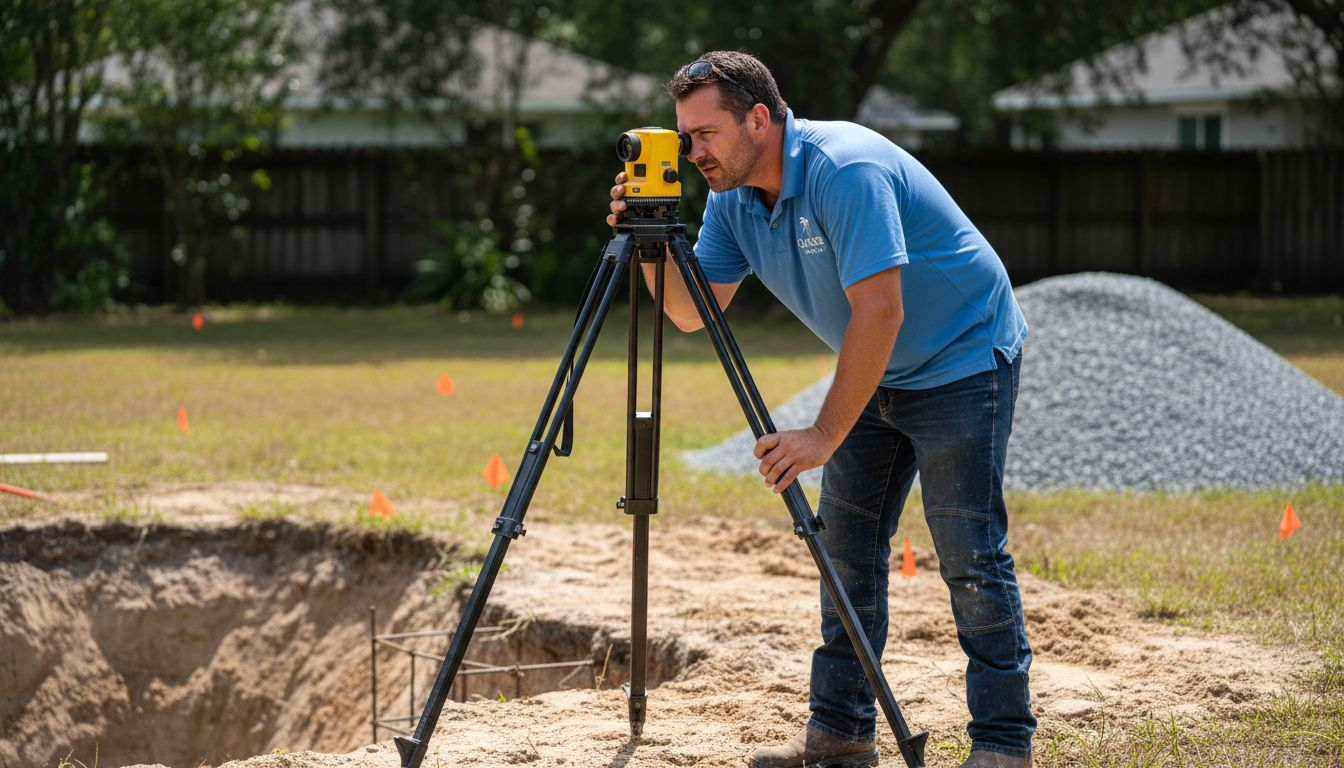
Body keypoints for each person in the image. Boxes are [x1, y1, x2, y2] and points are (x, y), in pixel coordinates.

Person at [607, 51, 1035, 768]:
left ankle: (1001, 745)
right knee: (845, 554)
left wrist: (822, 433)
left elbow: (881, 309)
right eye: (685, 137)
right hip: (875, 371)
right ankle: (839, 737)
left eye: (706, 133)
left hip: (963, 356)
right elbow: (689, 314)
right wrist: (648, 240)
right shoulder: (732, 201)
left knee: (969, 554)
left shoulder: (846, 170)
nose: (694, 152)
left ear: (759, 118)